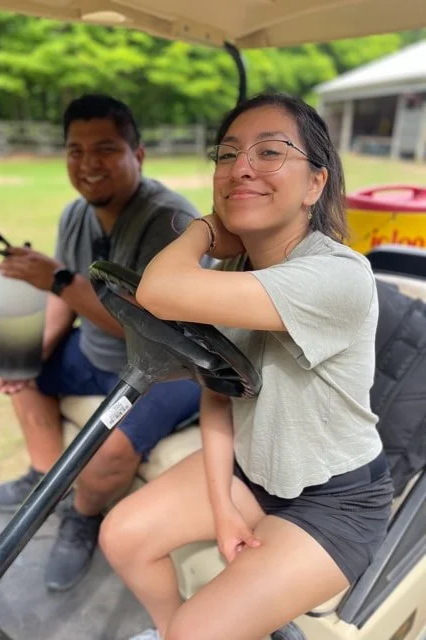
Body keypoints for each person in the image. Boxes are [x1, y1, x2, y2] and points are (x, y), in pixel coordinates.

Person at [99, 93, 394, 640]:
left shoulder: (338, 277)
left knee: (199, 630)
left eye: (271, 151)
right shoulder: (233, 278)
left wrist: (205, 229)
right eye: (228, 154)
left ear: (315, 184)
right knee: (123, 536)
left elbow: (159, 290)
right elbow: (219, 391)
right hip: (253, 475)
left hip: (335, 502)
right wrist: (222, 505)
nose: (242, 168)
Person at [0, 93, 205, 592]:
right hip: (100, 354)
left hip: (168, 367)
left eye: (104, 149)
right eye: (74, 151)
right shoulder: (74, 215)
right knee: (18, 366)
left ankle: (82, 519)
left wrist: (59, 279)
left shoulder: (171, 223)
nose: (87, 165)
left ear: (138, 155)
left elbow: (148, 327)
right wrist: (33, 353)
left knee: (108, 453)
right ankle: (44, 477)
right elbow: (64, 302)